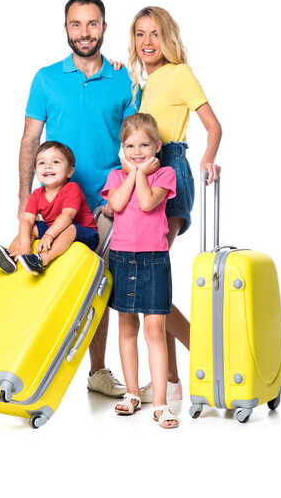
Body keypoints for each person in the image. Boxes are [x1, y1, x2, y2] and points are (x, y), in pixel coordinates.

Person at [10, 0, 140, 397]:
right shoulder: (46, 77)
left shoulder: (125, 79)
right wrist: (21, 205)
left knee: (98, 286)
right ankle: (21, 368)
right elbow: (30, 141)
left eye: (92, 24)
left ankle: (97, 371)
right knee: (39, 280)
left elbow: (140, 139)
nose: (84, 33)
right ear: (65, 28)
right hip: (52, 201)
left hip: (104, 205)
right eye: (76, 24)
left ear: (104, 26)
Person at [128, 6, 222, 402]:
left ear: (168, 38)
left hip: (170, 173)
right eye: (139, 34)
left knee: (152, 283)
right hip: (140, 178)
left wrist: (206, 158)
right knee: (153, 286)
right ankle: (171, 381)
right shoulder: (138, 84)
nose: (147, 42)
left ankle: (204, 353)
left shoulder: (179, 74)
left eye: (155, 34)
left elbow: (213, 125)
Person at [101, 113, 180, 427]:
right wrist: (135, 173)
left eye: (144, 145)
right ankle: (132, 394)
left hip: (154, 259)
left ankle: (160, 404)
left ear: (157, 146)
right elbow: (118, 204)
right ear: (122, 148)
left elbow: (147, 204)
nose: (137, 151)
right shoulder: (116, 177)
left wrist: (141, 174)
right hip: (121, 257)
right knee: (127, 329)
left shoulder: (165, 175)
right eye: (130, 145)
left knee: (154, 331)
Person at [0, 141, 99, 275]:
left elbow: (67, 216)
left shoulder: (72, 189)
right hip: (54, 229)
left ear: (70, 171)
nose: (48, 166)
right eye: (42, 163)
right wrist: (26, 245)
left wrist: (49, 235)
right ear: (36, 171)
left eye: (56, 162)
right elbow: (26, 220)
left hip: (84, 233)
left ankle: (41, 260)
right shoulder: (36, 194)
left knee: (70, 228)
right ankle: (11, 256)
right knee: (32, 227)